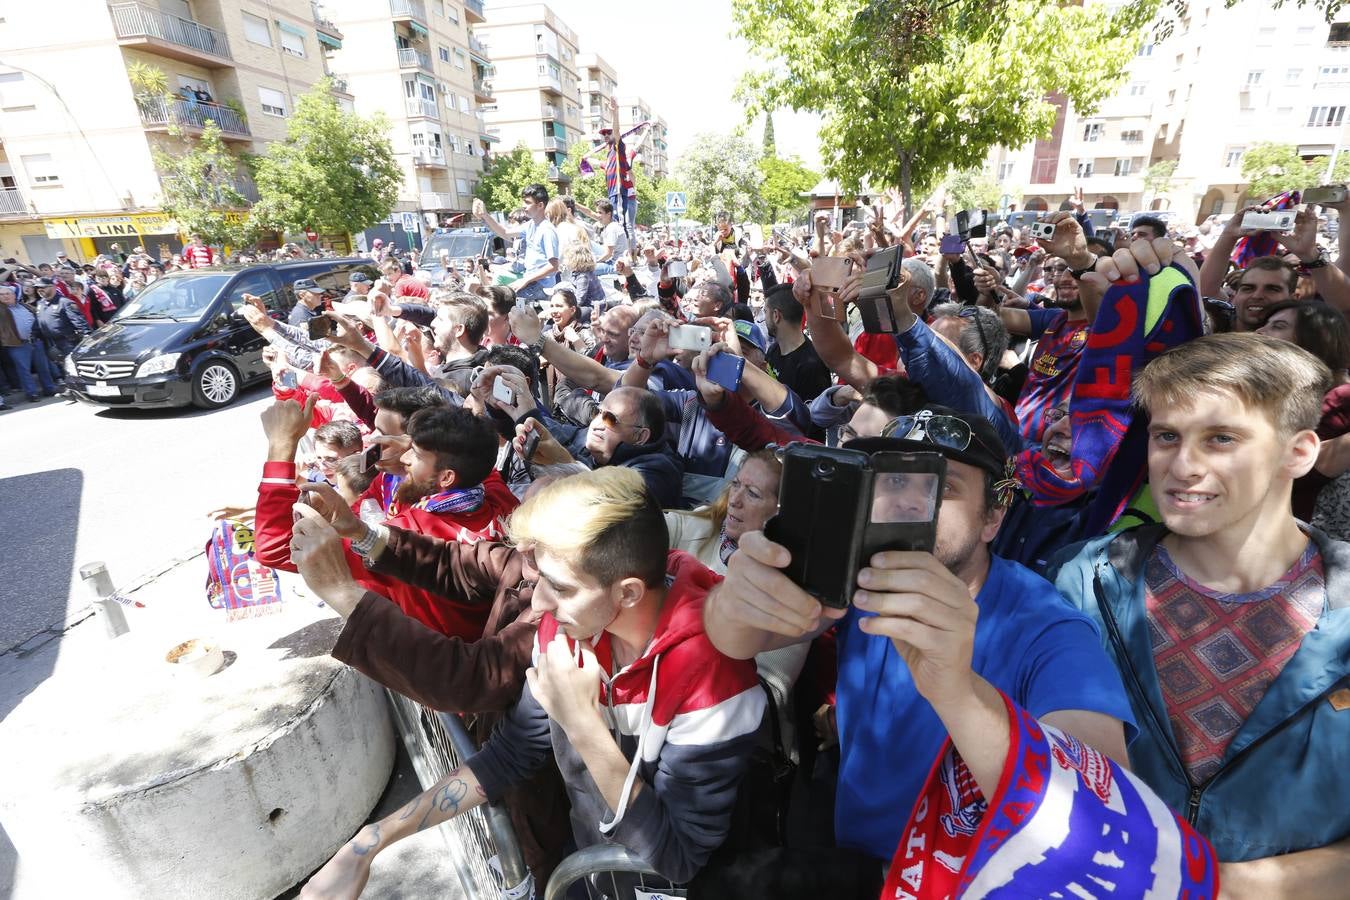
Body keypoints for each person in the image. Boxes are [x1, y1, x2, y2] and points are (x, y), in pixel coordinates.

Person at [702, 405, 1135, 868]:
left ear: (993, 516)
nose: (909, 503)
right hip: (848, 859)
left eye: (941, 487)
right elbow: (737, 641)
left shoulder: (1048, 629)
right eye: (893, 481)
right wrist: (732, 601)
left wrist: (958, 692)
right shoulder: (861, 578)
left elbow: (1101, 824)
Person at [296, 468, 766, 893]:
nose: (538, 604)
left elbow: (680, 856)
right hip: (593, 872)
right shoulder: (568, 627)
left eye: (559, 587)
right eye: (540, 578)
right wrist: (371, 842)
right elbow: (512, 753)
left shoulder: (714, 680)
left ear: (627, 593)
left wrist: (582, 725)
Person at [1052, 334, 1350, 891]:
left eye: (1221, 439)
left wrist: (1212, 885)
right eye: (1167, 436)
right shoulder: (1082, 582)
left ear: (1299, 452)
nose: (1183, 465)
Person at [253, 395, 518, 640]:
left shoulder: (406, 539)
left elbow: (277, 548)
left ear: (446, 476)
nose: (404, 457)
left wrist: (282, 445)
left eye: (415, 452)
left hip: (437, 662)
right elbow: (477, 459)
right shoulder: (499, 498)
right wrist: (425, 450)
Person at [473, 184, 560, 303]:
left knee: (502, 302)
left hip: (541, 286)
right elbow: (504, 232)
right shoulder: (530, 225)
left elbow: (553, 266)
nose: (523, 206)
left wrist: (525, 280)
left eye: (527, 202)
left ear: (540, 205)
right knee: (497, 298)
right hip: (531, 281)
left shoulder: (547, 230)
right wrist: (485, 215)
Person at [762, 284, 832, 403]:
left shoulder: (812, 366)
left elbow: (815, 412)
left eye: (765, 311)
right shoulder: (773, 350)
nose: (764, 318)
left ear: (776, 315)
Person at [0, 285, 57, 402]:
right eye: (1, 295)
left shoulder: (24, 305)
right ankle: (32, 393)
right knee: (23, 370)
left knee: (43, 367)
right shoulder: (1, 310)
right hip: (17, 344)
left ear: (14, 295)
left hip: (36, 340)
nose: (5, 296)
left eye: (7, 293)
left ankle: (49, 388)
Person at [33, 276, 88, 369]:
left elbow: (80, 322)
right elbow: (39, 320)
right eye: (38, 288)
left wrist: (86, 337)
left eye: (43, 287)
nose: (40, 290)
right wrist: (34, 333)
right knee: (62, 368)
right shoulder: (41, 303)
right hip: (51, 343)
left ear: (53, 287)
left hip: (67, 342)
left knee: (74, 368)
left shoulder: (65, 302)